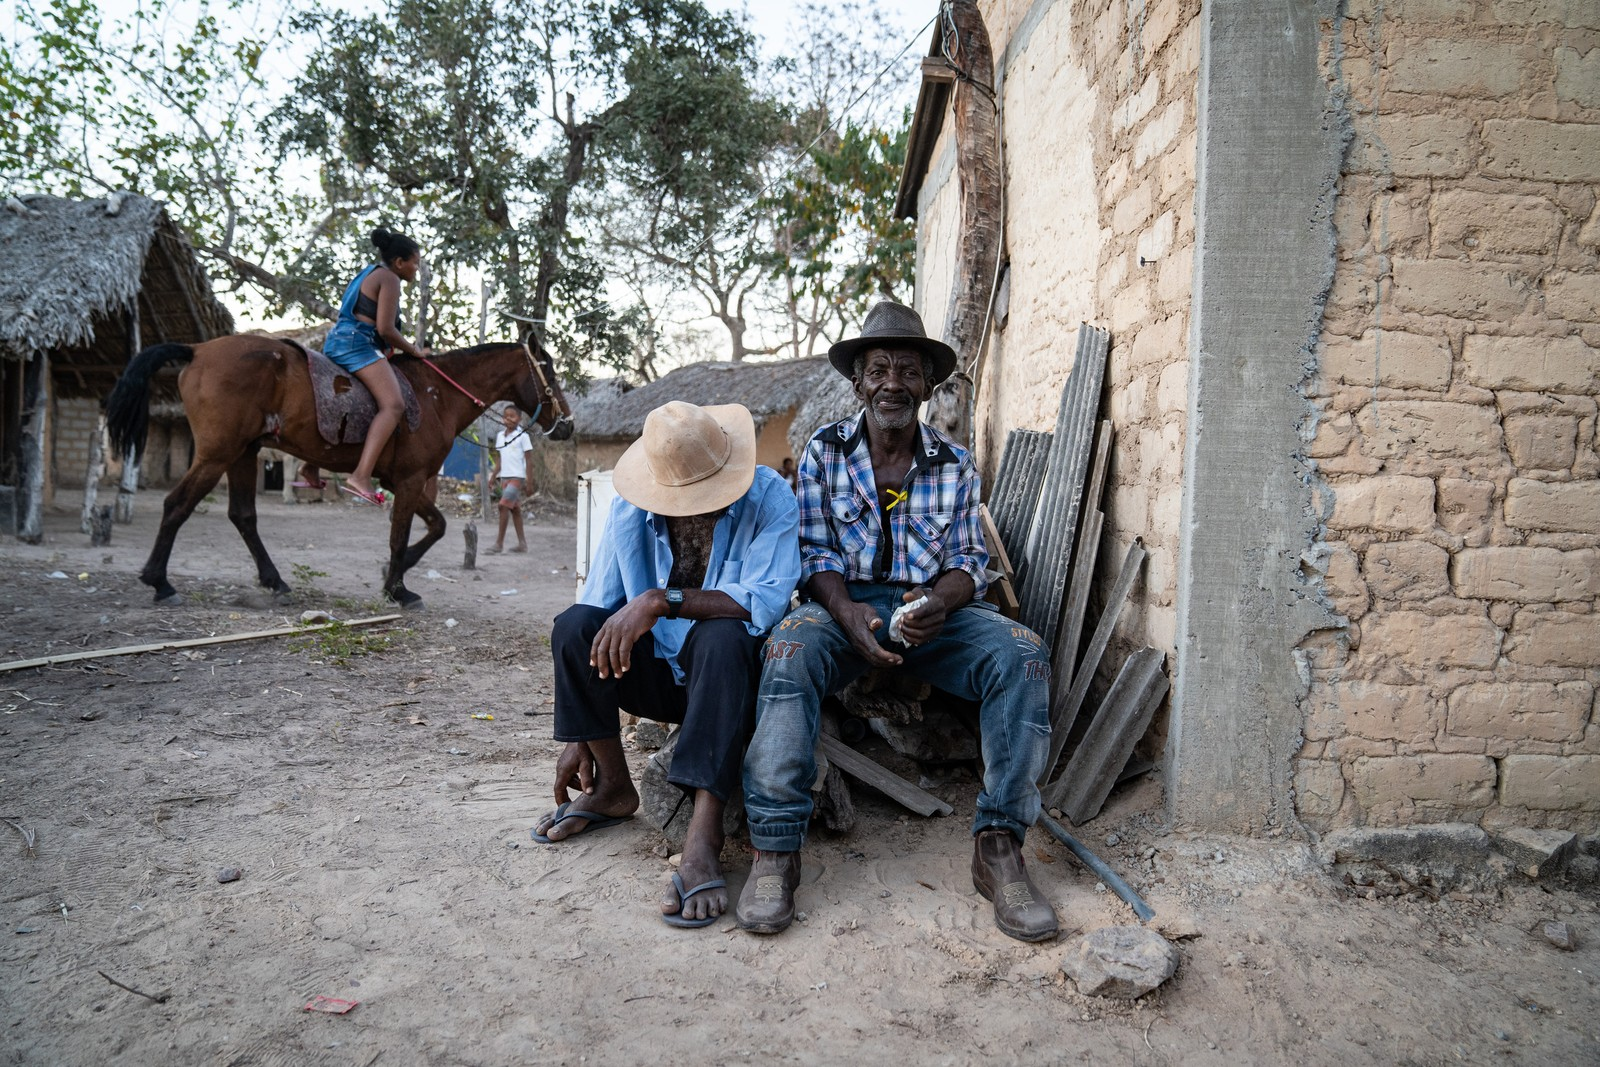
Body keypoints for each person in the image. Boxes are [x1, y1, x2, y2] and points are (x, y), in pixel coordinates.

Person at [737, 301, 1058, 943]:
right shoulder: (825, 453)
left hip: (930, 614)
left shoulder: (955, 464)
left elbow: (972, 560)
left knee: (1022, 653)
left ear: (928, 387)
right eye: (878, 369)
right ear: (858, 383)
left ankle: (998, 846)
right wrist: (845, 609)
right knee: (786, 652)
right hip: (842, 607)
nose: (893, 384)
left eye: (908, 371)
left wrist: (942, 602)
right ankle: (775, 849)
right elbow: (814, 552)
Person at [531, 401, 801, 928]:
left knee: (722, 637)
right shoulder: (633, 507)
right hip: (655, 677)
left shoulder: (770, 495)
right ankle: (612, 787)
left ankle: (704, 832)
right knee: (572, 626)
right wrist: (578, 733)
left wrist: (659, 600)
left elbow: (765, 600)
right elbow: (600, 607)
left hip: (729, 682)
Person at [322, 227, 433, 505]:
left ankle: (311, 465)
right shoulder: (390, 279)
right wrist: (414, 351)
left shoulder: (367, 273)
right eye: (415, 262)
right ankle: (361, 476)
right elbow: (385, 329)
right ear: (399, 262)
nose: (416, 269)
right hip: (358, 345)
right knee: (394, 405)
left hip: (336, 340)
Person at [489, 405, 532, 553]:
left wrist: (529, 481)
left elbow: (529, 460)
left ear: (519, 419)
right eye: (506, 416)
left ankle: (499, 543)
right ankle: (522, 544)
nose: (508, 419)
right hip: (504, 477)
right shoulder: (501, 436)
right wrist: (493, 476)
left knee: (503, 506)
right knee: (515, 510)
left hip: (517, 477)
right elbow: (500, 459)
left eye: (512, 416)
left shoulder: (523, 436)